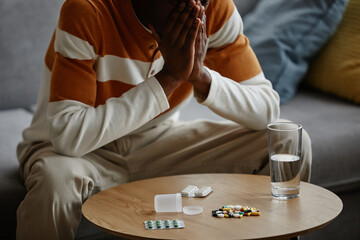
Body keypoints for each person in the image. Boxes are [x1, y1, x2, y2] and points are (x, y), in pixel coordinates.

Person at [16, 0, 312, 239]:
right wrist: (169, 77)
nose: (195, 9)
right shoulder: (87, 9)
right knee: (57, 182)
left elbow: (266, 110)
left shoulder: (213, 10)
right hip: (76, 154)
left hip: (157, 144)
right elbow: (68, 137)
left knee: (285, 141)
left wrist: (199, 75)